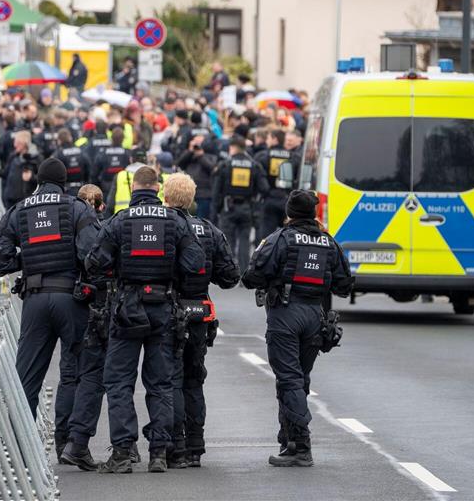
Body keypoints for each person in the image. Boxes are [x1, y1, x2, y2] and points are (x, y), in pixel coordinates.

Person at [85, 166, 205, 474]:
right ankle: (159, 453)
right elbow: (195, 263)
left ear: (134, 187)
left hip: (126, 307)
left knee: (118, 381)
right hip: (164, 306)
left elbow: (94, 263)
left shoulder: (119, 220)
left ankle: (123, 452)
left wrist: (118, 268)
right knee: (161, 382)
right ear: (158, 189)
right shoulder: (175, 221)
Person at [0, 158, 100, 459]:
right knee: (82, 372)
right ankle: (72, 444)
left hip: (34, 300)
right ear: (64, 182)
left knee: (27, 379)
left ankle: (20, 451)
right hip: (71, 298)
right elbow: (93, 256)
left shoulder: (19, 210)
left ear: (38, 181)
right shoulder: (76, 208)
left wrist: (28, 259)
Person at [241, 189, 353, 467]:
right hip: (315, 316)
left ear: (289, 213)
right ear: (313, 213)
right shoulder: (329, 242)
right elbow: (344, 285)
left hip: (286, 315)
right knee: (298, 379)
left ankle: (301, 446)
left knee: (289, 379)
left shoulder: (280, 239)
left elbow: (252, 276)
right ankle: (289, 441)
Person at [162, 173, 240, 468]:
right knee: (194, 380)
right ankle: (196, 445)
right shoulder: (210, 230)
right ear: (192, 199)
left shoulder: (163, 226)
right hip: (199, 313)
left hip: (169, 309)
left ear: (165, 197)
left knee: (171, 379)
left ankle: (177, 446)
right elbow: (230, 277)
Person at [60, 184, 113, 471]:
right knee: (98, 376)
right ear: (101, 206)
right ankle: (81, 444)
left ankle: (63, 442)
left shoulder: (65, 226)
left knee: (69, 375)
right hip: (97, 307)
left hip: (69, 302)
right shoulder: (103, 229)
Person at [214, 135, 270, 270]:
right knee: (244, 240)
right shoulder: (254, 165)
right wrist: (255, 200)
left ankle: (229, 271)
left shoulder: (225, 165)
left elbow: (216, 190)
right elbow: (264, 188)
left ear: (233, 147)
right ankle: (243, 270)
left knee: (228, 240)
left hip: (228, 207)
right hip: (247, 207)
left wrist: (217, 209)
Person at [254, 129, 300, 238]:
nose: (267, 141)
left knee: (266, 237)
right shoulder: (294, 157)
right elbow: (298, 179)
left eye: (268, 138)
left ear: (275, 139)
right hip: (288, 200)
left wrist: (266, 193)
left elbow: (257, 179)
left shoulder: (262, 156)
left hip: (269, 200)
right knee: (288, 236)